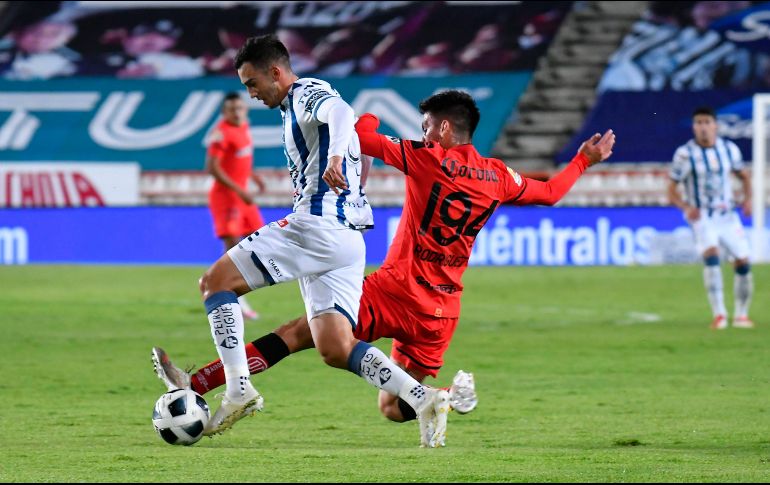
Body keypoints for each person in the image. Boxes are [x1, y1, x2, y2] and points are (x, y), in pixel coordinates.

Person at [153, 89, 615, 444]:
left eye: (430, 126)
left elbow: (362, 135)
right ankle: (449, 399)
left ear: (448, 131)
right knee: (391, 408)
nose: (425, 133)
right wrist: (584, 160)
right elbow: (551, 193)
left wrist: (362, 115)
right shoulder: (498, 175)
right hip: (443, 311)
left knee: (302, 333)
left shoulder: (428, 158)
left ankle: (199, 382)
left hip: (398, 290)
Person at [168, 33, 450, 447]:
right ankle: (423, 398)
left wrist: (335, 158)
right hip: (348, 241)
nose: (251, 94)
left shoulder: (307, 93)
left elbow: (341, 111)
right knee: (335, 346)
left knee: (215, 283)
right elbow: (358, 144)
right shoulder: (292, 109)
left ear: (276, 72)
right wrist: (350, 174)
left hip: (316, 225)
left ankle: (237, 389)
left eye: (252, 83)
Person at [667, 106, 754, 330]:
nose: (702, 127)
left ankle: (742, 316)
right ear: (694, 126)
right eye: (698, 123)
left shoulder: (729, 150)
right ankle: (720, 315)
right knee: (712, 256)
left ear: (715, 125)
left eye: (707, 122)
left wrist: (748, 200)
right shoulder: (685, 154)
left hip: (727, 215)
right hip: (702, 216)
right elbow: (671, 190)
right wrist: (686, 207)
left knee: (743, 262)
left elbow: (744, 175)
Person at [205, 92, 266, 321]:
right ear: (224, 112)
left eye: (239, 108)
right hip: (226, 197)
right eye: (231, 109)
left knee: (255, 240)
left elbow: (239, 160)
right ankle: (232, 296)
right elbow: (212, 167)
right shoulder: (221, 133)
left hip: (242, 195)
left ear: (245, 109)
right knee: (233, 248)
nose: (237, 112)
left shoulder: (244, 128)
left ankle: (224, 284)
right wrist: (240, 190)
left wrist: (253, 176)